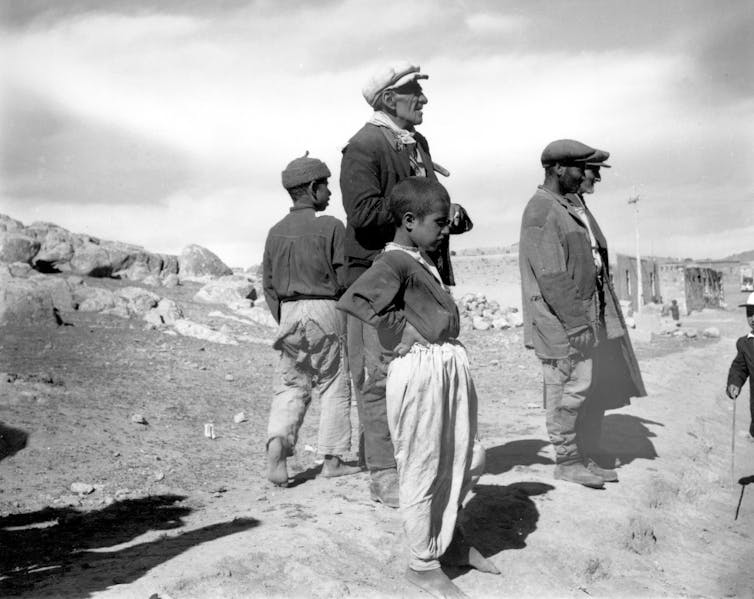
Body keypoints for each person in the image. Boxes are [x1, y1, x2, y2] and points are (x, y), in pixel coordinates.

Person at [337, 177, 497, 599]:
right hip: (421, 372)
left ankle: (450, 540)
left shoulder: (418, 257)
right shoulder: (394, 262)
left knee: (466, 455)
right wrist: (402, 330)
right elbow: (354, 300)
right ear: (409, 221)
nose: (446, 230)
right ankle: (423, 564)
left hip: (444, 367)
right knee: (425, 463)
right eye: (440, 223)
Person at [340, 61, 473, 507]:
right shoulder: (363, 146)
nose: (424, 99)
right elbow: (361, 214)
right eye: (414, 92)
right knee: (377, 377)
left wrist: (447, 214)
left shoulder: (416, 143)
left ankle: (415, 461)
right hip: (378, 274)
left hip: (417, 273)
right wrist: (414, 210)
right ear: (386, 100)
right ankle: (382, 474)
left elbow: (420, 207)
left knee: (418, 375)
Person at [519, 139, 646, 490]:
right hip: (562, 324)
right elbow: (552, 276)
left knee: (583, 389)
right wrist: (576, 323)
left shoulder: (566, 206)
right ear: (559, 169)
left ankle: (581, 455)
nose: (585, 177)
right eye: (580, 169)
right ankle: (567, 461)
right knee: (566, 393)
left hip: (581, 320)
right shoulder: (541, 210)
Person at [263, 152, 361, 486]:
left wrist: (285, 317)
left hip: (288, 313)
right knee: (334, 383)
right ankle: (332, 460)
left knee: (291, 384)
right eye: (326, 186)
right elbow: (344, 277)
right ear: (312, 187)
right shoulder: (331, 226)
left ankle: (278, 443)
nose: (330, 193)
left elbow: (269, 285)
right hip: (325, 310)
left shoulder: (275, 232)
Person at [726, 292, 754, 438]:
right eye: (750, 313)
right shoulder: (745, 344)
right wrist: (734, 383)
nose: (753, 318)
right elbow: (740, 368)